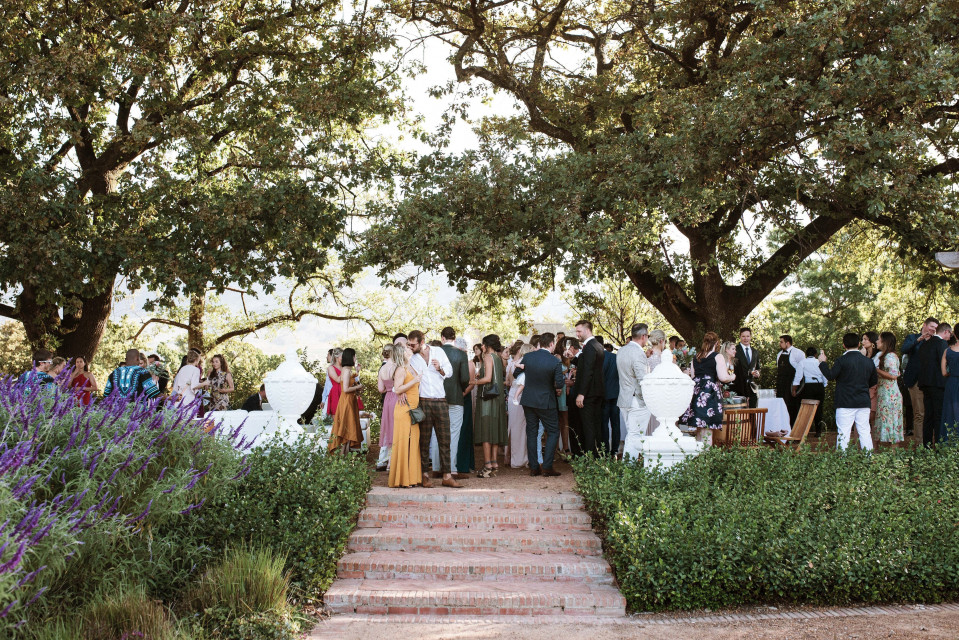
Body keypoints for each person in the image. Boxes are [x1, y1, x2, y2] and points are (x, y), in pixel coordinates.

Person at [407, 330, 460, 488]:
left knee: (445, 439)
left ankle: (447, 476)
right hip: (423, 401)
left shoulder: (439, 351)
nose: (410, 347)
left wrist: (440, 368)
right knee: (424, 440)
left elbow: (449, 372)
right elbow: (402, 374)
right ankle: (424, 475)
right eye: (409, 344)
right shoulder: (411, 358)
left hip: (440, 400)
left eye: (413, 344)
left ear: (422, 342)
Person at [818, 333, 877, 451]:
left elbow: (830, 376)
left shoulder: (841, 360)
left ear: (844, 345)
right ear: (859, 344)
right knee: (865, 432)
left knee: (843, 433)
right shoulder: (868, 362)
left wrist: (822, 362)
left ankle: (841, 461)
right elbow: (873, 382)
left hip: (845, 402)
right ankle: (868, 459)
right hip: (863, 402)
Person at [518, 332, 564, 477]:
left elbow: (516, 373)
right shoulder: (554, 361)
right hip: (546, 400)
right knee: (553, 431)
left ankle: (534, 467)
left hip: (528, 399)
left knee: (531, 432)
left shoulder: (528, 357)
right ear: (551, 344)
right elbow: (560, 384)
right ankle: (547, 466)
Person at [682, 332, 734, 443]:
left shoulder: (696, 357)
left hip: (696, 393)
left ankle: (699, 456)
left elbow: (693, 376)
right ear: (716, 343)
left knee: (700, 430)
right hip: (709, 394)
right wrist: (732, 377)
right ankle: (706, 458)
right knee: (708, 429)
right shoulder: (717, 356)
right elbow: (723, 377)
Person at [436, 327, 471, 479]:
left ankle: (437, 467)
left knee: (436, 432)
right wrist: (461, 390)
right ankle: (450, 468)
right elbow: (465, 378)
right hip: (456, 397)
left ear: (442, 337)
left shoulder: (434, 352)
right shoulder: (460, 354)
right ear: (454, 339)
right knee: (454, 433)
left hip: (437, 397)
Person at [388, 343, 423, 488]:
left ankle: (411, 477)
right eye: (407, 348)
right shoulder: (401, 369)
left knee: (413, 441)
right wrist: (414, 381)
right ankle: (401, 479)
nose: (410, 349)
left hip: (413, 409)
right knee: (403, 442)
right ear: (403, 353)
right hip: (404, 410)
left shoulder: (410, 366)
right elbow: (397, 389)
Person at [474, 334, 507, 478]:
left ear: (488, 345)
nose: (481, 347)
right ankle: (494, 463)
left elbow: (487, 378)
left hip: (488, 399)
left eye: (483, 344)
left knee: (486, 431)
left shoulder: (488, 358)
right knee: (494, 430)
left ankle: (487, 465)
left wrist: (472, 382)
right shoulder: (498, 358)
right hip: (498, 399)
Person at [902, 317, 938, 444]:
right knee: (919, 413)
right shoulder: (912, 338)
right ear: (924, 325)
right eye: (932, 326)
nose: (933, 329)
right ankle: (919, 445)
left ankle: (930, 443)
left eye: (935, 328)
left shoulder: (936, 341)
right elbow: (904, 349)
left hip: (932, 382)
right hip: (916, 381)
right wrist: (919, 340)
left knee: (931, 413)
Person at [618, 323, 650, 461]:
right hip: (636, 400)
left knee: (631, 434)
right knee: (635, 435)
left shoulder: (621, 350)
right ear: (643, 336)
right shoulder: (638, 353)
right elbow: (641, 379)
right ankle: (629, 468)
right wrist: (647, 399)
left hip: (624, 399)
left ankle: (629, 465)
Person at [917, 322, 953, 445]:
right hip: (938, 384)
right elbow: (945, 364)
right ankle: (938, 445)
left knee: (928, 416)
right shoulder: (942, 344)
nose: (950, 337)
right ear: (946, 332)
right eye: (950, 334)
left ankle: (926, 445)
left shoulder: (925, 344)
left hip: (925, 383)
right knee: (938, 416)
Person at [573, 320, 605, 456]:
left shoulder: (590, 347)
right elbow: (586, 364)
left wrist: (581, 393)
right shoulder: (597, 345)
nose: (577, 334)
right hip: (597, 392)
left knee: (588, 427)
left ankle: (590, 459)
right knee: (595, 425)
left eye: (579, 331)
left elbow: (588, 371)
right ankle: (597, 457)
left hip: (589, 394)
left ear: (587, 330)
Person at [329, 348, 364, 454]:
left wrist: (357, 372)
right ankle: (342, 456)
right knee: (347, 429)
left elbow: (352, 383)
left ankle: (345, 456)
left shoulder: (348, 370)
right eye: (354, 356)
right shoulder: (346, 371)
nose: (355, 358)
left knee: (350, 428)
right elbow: (346, 389)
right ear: (350, 357)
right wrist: (359, 387)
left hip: (350, 401)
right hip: (347, 402)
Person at [875, 332, 904, 446]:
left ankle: (893, 453)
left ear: (885, 342)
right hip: (884, 393)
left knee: (891, 421)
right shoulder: (884, 355)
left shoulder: (890, 356)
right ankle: (885, 452)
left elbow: (893, 375)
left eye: (879, 339)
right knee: (886, 421)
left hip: (890, 394)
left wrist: (876, 370)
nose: (876, 341)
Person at [507, 344, 534, 467]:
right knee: (519, 428)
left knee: (520, 427)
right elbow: (513, 382)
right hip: (518, 396)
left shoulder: (515, 363)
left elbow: (509, 382)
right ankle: (518, 459)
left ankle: (521, 458)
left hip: (516, 394)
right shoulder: (521, 364)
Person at [791, 346, 827, 435]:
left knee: (807, 408)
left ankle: (804, 431)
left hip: (808, 387)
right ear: (815, 354)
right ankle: (818, 431)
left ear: (806, 354)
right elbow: (825, 375)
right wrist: (824, 385)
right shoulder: (819, 362)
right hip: (819, 385)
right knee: (819, 408)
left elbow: (798, 377)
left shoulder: (802, 362)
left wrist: (794, 389)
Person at [454, 337, 477, 474]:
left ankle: (465, 464)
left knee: (464, 430)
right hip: (454, 398)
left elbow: (472, 383)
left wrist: (461, 394)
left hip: (464, 398)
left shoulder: (469, 364)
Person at [374, 345, 397, 472]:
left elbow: (380, 389)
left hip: (387, 399)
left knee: (388, 428)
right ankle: (391, 462)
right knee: (396, 429)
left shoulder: (382, 369)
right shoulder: (396, 367)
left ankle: (386, 460)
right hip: (397, 398)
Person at [776, 335, 804, 425]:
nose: (780, 344)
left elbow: (801, 371)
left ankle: (793, 428)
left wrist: (795, 386)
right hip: (781, 385)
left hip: (791, 384)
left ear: (787, 343)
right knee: (781, 406)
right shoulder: (779, 354)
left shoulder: (798, 353)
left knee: (792, 407)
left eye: (781, 342)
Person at [601, 339, 621, 455]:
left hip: (604, 395)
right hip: (615, 393)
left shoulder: (600, 358)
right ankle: (615, 450)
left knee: (604, 424)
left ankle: (606, 451)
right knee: (615, 424)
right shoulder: (616, 357)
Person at [645, 329, 666, 435]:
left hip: (650, 395)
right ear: (661, 341)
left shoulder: (646, 357)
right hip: (664, 396)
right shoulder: (666, 358)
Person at [734, 328, 761, 408]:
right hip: (738, 387)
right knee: (739, 415)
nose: (746, 338)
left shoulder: (755, 352)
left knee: (752, 414)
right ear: (740, 337)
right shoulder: (735, 350)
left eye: (748, 336)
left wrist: (758, 373)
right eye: (743, 336)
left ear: (750, 337)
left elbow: (758, 367)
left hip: (752, 388)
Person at [941, 332, 959, 443]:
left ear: (955, 335)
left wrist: (952, 373)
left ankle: (949, 443)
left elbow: (944, 373)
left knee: (951, 413)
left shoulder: (947, 351)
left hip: (952, 383)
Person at [553, 341, 571, 453]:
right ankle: (555, 448)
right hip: (557, 389)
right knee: (555, 421)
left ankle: (565, 447)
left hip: (566, 390)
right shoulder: (556, 357)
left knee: (565, 420)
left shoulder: (568, 358)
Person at [861, 331, 880, 430]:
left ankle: (874, 445)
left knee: (872, 417)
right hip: (862, 388)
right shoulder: (862, 355)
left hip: (874, 388)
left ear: (872, 342)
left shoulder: (878, 356)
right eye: (862, 339)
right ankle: (857, 445)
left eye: (865, 339)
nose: (863, 341)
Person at [325, 348, 344, 417]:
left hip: (344, 392)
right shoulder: (331, 368)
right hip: (336, 393)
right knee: (336, 419)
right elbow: (338, 380)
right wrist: (345, 369)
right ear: (336, 357)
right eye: (342, 356)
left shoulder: (344, 367)